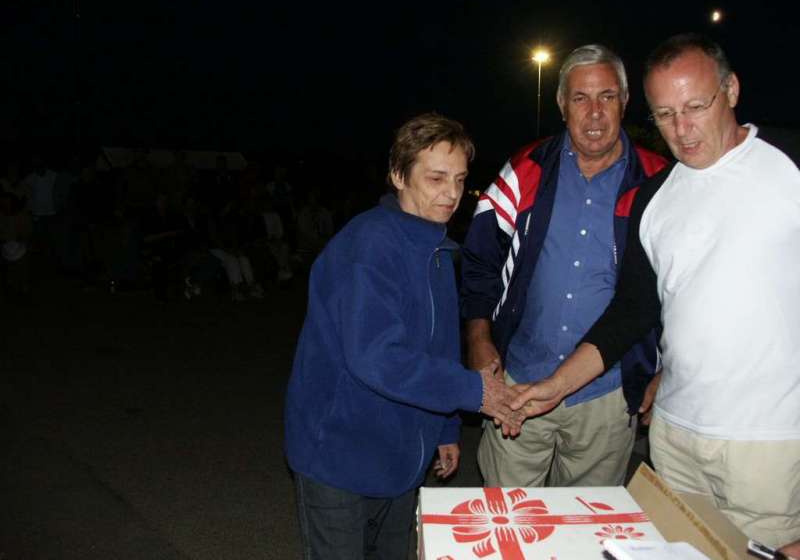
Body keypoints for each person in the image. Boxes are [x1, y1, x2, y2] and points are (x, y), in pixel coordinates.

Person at [511, 33, 800, 548]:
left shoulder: (787, 163)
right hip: (672, 436)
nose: (682, 130)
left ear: (731, 90)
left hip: (769, 443)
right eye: (665, 114)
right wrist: (558, 385)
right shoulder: (653, 196)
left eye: (695, 106)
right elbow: (632, 311)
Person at [284, 113, 523, 560]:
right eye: (436, 178)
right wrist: (475, 392)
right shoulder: (370, 245)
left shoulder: (436, 250)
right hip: (339, 455)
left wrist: (446, 427)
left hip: (400, 460)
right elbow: (376, 357)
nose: (452, 193)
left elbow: (439, 350)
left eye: (460, 179)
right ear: (398, 175)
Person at [461, 44, 667, 488]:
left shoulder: (658, 183)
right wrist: (478, 338)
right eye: (580, 98)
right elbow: (479, 261)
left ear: (625, 102)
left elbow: (679, 292)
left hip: (608, 394)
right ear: (561, 105)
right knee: (510, 521)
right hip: (519, 381)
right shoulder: (524, 170)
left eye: (607, 97)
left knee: (587, 530)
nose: (594, 112)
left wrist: (668, 369)